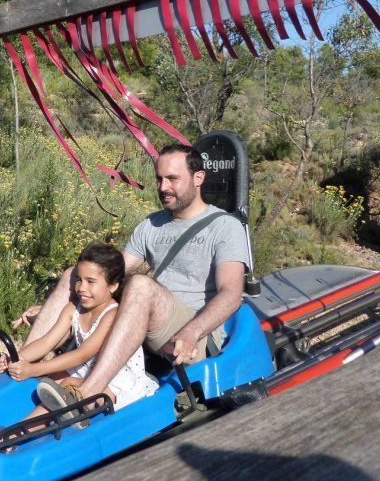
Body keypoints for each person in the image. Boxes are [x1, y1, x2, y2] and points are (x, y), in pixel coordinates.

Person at [17, 143, 249, 410]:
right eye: (159, 179)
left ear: (198, 178)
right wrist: (63, 303)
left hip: (191, 333)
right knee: (76, 274)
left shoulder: (224, 227)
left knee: (139, 285)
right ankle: (18, 364)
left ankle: (85, 394)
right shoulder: (152, 224)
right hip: (145, 321)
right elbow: (110, 274)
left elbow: (231, 293)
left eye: (172, 179)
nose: (163, 188)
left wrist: (190, 333)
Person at [0, 242, 157, 444]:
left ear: (113, 286)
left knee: (59, 389)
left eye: (91, 281)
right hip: (84, 371)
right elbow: (46, 342)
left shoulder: (112, 315)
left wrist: (33, 369)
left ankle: (10, 437)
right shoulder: (74, 308)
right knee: (35, 380)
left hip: (116, 383)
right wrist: (14, 360)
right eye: (79, 280)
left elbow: (82, 355)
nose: (82, 288)